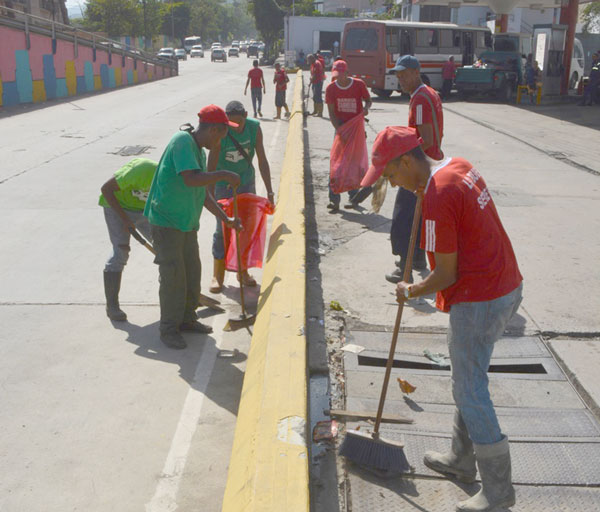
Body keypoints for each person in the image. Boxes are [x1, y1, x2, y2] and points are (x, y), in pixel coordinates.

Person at [361, 125, 523, 512]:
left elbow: (445, 275)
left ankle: (499, 491)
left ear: (405, 161)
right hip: (505, 287)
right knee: (469, 378)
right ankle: (462, 460)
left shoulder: (437, 194)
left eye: (391, 175)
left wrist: (410, 291)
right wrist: (421, 194)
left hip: (480, 298)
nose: (393, 183)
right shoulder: (456, 167)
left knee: (469, 388)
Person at [144, 105, 242, 349]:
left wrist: (225, 218)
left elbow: (203, 193)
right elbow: (191, 179)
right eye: (221, 135)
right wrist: (222, 174)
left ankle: (187, 319)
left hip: (186, 223)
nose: (221, 140)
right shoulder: (182, 142)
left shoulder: (197, 150)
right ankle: (168, 328)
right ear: (214, 130)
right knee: (173, 276)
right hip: (167, 222)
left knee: (191, 272)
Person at [386, 54, 444, 284]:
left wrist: (405, 159)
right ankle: (418, 259)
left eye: (404, 75)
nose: (401, 80)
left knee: (403, 217)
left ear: (416, 73)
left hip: (420, 167)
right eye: (398, 76)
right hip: (433, 162)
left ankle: (404, 267)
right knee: (419, 216)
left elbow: (426, 138)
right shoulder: (430, 93)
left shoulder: (419, 99)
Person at [208, 100, 275, 293]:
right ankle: (217, 275)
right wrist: (209, 195)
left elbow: (262, 159)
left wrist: (269, 191)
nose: (235, 128)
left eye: (239, 122)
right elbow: (211, 166)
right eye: (231, 124)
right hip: (223, 185)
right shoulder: (221, 131)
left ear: (246, 115)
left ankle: (242, 271)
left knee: (245, 227)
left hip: (246, 182)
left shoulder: (254, 128)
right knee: (221, 229)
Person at [99, 158, 157, 321]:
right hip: (117, 206)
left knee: (165, 248)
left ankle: (176, 295)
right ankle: (112, 306)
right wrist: (124, 219)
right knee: (121, 250)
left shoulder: (174, 182)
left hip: (144, 211)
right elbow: (106, 189)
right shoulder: (142, 170)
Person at [325, 59, 372, 211]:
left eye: (341, 74)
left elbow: (368, 100)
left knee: (355, 163)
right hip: (341, 128)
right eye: (336, 74)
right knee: (336, 164)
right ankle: (334, 199)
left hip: (356, 128)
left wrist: (365, 108)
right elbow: (331, 113)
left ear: (347, 72)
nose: (339, 77)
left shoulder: (359, 85)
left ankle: (354, 196)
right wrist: (339, 131)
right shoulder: (331, 88)